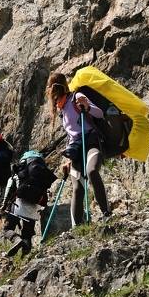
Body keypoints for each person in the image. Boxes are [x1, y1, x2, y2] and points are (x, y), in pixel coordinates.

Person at [45, 72, 112, 226]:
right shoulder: (61, 108)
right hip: (76, 151)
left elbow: (99, 113)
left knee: (92, 171)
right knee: (77, 188)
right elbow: (71, 135)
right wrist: (68, 159)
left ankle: (106, 213)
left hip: (91, 143)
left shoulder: (76, 97)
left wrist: (87, 107)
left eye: (50, 88)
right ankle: (78, 228)